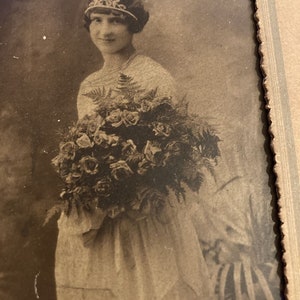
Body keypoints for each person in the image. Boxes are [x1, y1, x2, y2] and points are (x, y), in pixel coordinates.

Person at [55, 1, 213, 299]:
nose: (104, 30)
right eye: (97, 20)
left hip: (145, 213)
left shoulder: (154, 77)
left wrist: (126, 175)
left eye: (115, 20)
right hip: (103, 212)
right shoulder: (88, 85)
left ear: (133, 25)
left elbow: (170, 152)